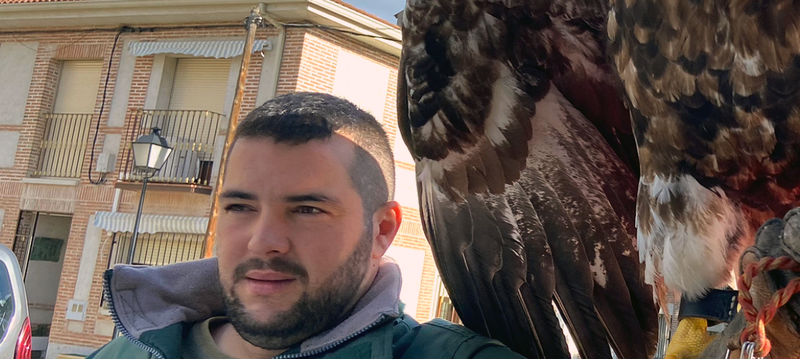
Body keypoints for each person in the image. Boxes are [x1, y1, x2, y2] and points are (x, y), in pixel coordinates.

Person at [91, 92, 523, 359]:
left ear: (383, 231)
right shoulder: (125, 353)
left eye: (307, 210)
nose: (264, 241)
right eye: (240, 206)